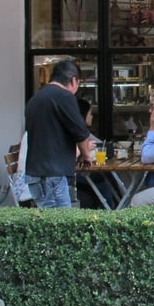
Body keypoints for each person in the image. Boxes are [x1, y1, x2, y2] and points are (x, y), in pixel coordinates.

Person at [24, 59, 92, 209]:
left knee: (48, 221)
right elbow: (81, 133)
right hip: (53, 174)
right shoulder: (64, 96)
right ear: (73, 80)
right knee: (61, 223)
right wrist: (86, 155)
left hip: (34, 174)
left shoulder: (36, 99)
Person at [75, 97, 116, 209]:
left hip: (76, 173)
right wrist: (85, 149)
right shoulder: (77, 132)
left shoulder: (81, 131)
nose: (92, 116)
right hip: (74, 175)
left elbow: (100, 144)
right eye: (90, 113)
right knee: (101, 179)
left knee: (105, 177)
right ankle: (110, 209)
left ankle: (112, 208)